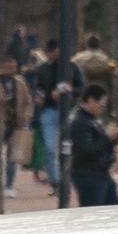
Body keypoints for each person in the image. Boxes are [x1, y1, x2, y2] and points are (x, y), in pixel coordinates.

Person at [31, 39, 85, 190]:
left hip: (68, 110)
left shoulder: (73, 68)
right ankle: (55, 180)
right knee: (49, 146)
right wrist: (41, 96)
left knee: (68, 145)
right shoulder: (43, 69)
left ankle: (67, 177)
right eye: (49, 52)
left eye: (54, 51)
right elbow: (38, 87)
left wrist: (69, 91)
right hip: (49, 110)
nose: (52, 54)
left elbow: (81, 87)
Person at [65, 83, 118, 206]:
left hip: (101, 175)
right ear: (91, 100)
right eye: (101, 104)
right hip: (89, 177)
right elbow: (88, 149)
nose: (102, 108)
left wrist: (113, 139)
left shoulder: (92, 120)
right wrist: (107, 137)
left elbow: (99, 145)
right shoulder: (79, 122)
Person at [0, 57, 34, 198]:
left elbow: (29, 102)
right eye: (8, 67)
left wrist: (27, 116)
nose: (11, 70)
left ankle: (9, 185)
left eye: (14, 67)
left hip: (15, 125)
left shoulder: (20, 83)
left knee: (12, 158)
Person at [73, 32, 118, 108]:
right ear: (99, 45)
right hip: (102, 88)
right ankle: (110, 110)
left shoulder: (79, 57)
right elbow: (114, 70)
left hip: (84, 88)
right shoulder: (105, 57)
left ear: (87, 45)